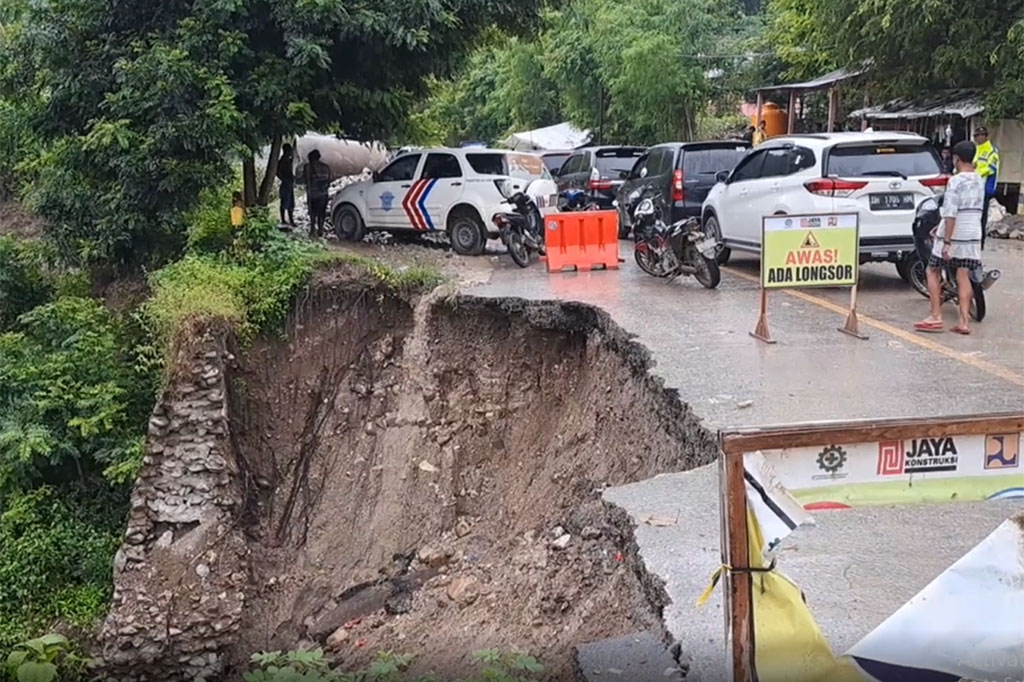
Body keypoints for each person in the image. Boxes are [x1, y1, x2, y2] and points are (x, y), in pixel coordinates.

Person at [914, 140, 983, 336]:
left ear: (956, 159)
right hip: (972, 233)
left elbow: (951, 213)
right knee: (964, 275)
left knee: (932, 270)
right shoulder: (979, 179)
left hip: (955, 234)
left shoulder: (955, 181)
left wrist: (946, 240)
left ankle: (935, 316)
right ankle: (964, 322)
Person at [972, 126, 1000, 250]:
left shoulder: (991, 150)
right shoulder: (976, 150)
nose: (979, 138)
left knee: (981, 217)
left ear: (986, 136)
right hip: (974, 187)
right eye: (977, 136)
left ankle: (980, 242)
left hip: (985, 187)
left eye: (981, 135)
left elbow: (991, 169)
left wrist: (976, 171)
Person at [302, 149, 333, 238]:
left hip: (312, 193)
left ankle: (312, 229)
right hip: (323, 194)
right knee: (321, 212)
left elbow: (305, 179)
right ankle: (320, 229)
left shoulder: (307, 167)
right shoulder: (326, 167)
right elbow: (329, 180)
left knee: (312, 212)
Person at [276, 143, 296, 228]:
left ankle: (290, 220)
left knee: (290, 202)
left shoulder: (288, 160)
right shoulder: (283, 161)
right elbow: (278, 172)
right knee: (285, 202)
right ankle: (284, 220)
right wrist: (284, 178)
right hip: (286, 183)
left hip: (288, 183)